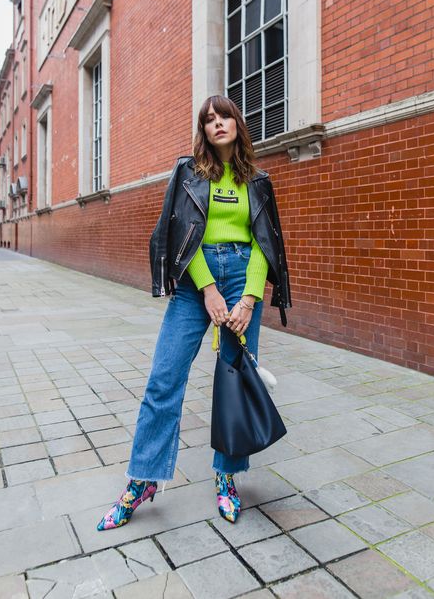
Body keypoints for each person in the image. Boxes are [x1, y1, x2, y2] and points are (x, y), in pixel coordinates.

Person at [97, 95, 291, 531]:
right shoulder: (188, 173)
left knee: (235, 383)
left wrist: (248, 299)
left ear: (237, 124)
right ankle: (142, 480)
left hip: (244, 279)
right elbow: (177, 232)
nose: (217, 124)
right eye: (209, 120)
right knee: (164, 380)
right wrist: (206, 288)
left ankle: (227, 474)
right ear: (202, 131)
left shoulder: (258, 181)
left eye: (224, 116)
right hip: (194, 284)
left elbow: (266, 243)